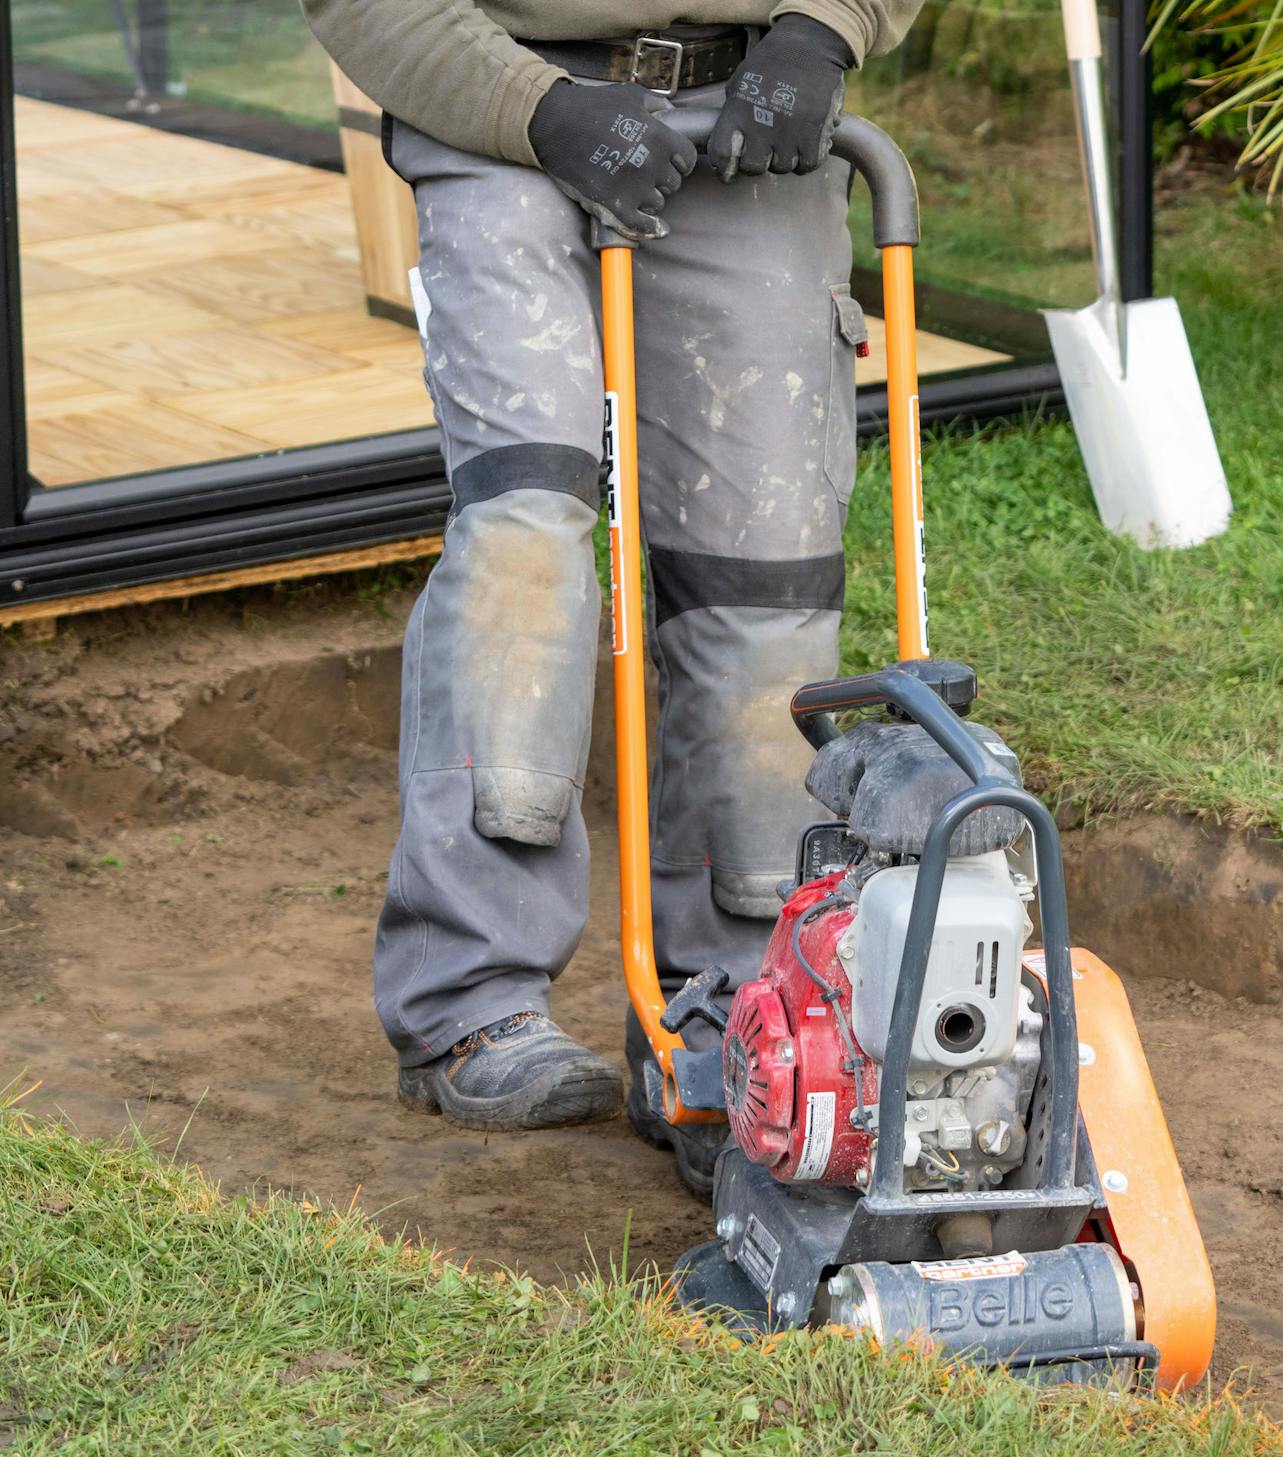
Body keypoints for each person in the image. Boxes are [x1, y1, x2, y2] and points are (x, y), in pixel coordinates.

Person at [299, 0, 920, 1184]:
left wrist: (822, 32)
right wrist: (537, 109)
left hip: (754, 116)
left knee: (764, 586)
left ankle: (736, 1014)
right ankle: (471, 1001)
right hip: (505, 107)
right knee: (525, 533)